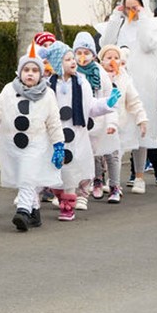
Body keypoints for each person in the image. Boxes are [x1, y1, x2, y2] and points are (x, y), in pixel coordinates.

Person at [0, 43, 64, 232]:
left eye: (35, 70)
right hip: (12, 142)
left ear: (41, 74)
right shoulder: (8, 90)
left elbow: (54, 122)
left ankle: (22, 211)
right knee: (22, 175)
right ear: (19, 72)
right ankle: (35, 211)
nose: (30, 74)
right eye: (26, 70)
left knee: (28, 176)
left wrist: (59, 145)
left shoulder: (48, 95)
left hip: (36, 143)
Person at [98, 0, 157, 194]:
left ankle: (139, 176)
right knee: (114, 126)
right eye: (127, 8)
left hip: (141, 82)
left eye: (133, 8)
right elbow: (105, 44)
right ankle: (111, 177)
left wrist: (143, 17)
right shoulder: (121, 25)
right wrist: (116, 16)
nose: (131, 12)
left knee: (140, 130)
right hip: (118, 80)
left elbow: (148, 45)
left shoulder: (152, 25)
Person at [42, 41, 118, 221]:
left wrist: (107, 103)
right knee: (53, 168)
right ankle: (44, 200)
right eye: (67, 59)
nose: (73, 61)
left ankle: (69, 205)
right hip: (54, 134)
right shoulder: (47, 86)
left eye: (72, 58)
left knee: (73, 169)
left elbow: (90, 106)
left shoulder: (81, 83)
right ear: (57, 63)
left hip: (76, 133)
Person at [96, 45, 148, 204]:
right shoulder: (96, 76)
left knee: (113, 155)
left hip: (116, 125)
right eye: (108, 58)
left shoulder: (124, 79)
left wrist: (142, 119)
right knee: (96, 155)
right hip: (98, 123)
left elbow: (133, 100)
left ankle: (114, 186)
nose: (112, 61)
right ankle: (97, 180)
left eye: (116, 58)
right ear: (102, 60)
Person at [72, 32, 116, 209]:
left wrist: (111, 122)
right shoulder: (70, 71)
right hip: (74, 123)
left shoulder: (100, 74)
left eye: (86, 53)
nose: (82, 57)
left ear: (93, 54)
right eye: (79, 53)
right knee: (71, 157)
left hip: (94, 124)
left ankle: (84, 190)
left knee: (87, 158)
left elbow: (108, 99)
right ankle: (68, 190)